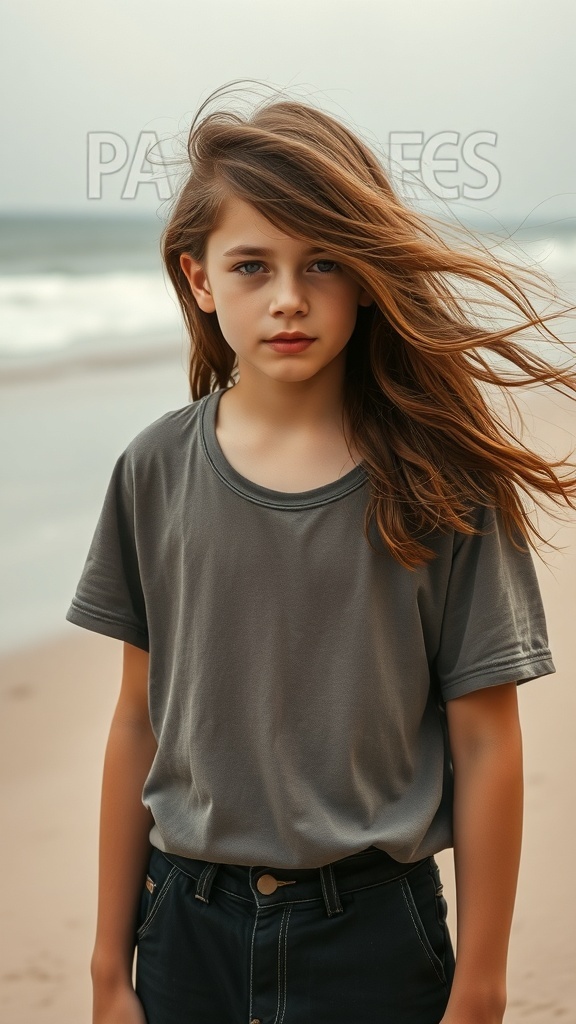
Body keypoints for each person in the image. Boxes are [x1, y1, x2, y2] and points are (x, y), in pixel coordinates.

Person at [66, 81, 576, 1024]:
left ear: (367, 274)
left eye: (326, 262)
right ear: (198, 278)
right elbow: (137, 719)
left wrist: (482, 989)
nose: (289, 299)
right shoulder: (152, 470)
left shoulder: (443, 480)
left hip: (377, 938)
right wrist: (108, 966)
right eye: (252, 266)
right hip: (184, 929)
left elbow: (486, 741)